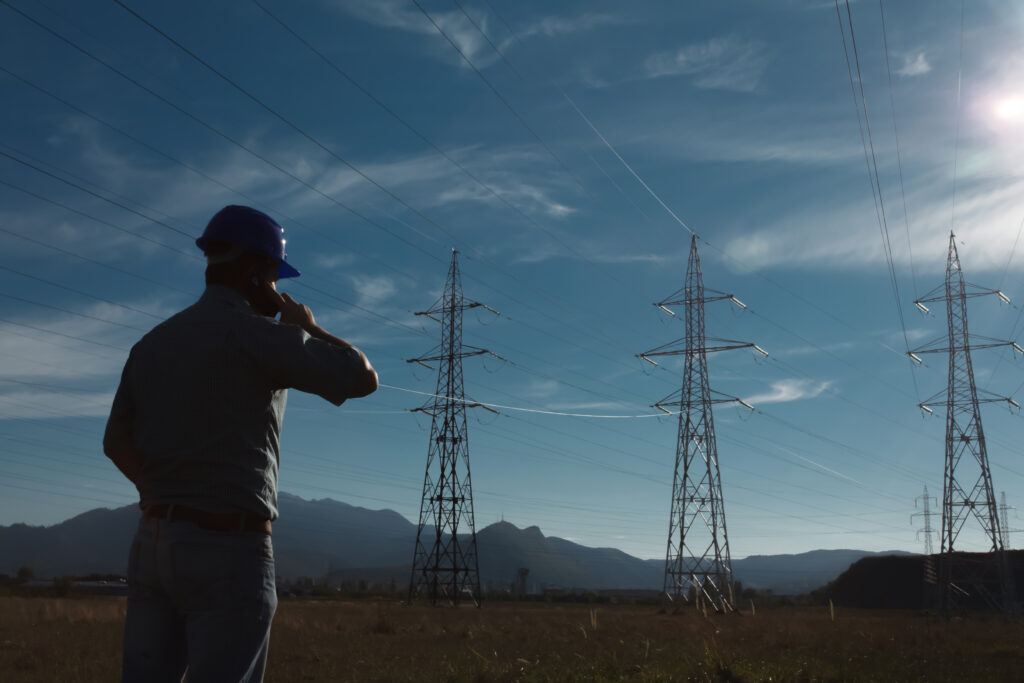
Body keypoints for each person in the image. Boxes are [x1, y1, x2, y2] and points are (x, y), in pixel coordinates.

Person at [103, 205, 378, 683]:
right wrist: (307, 326)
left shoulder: (152, 343)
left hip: (153, 542)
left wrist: (159, 493)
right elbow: (363, 378)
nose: (278, 289)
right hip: (228, 546)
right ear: (255, 273)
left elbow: (115, 442)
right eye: (274, 275)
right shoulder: (263, 336)